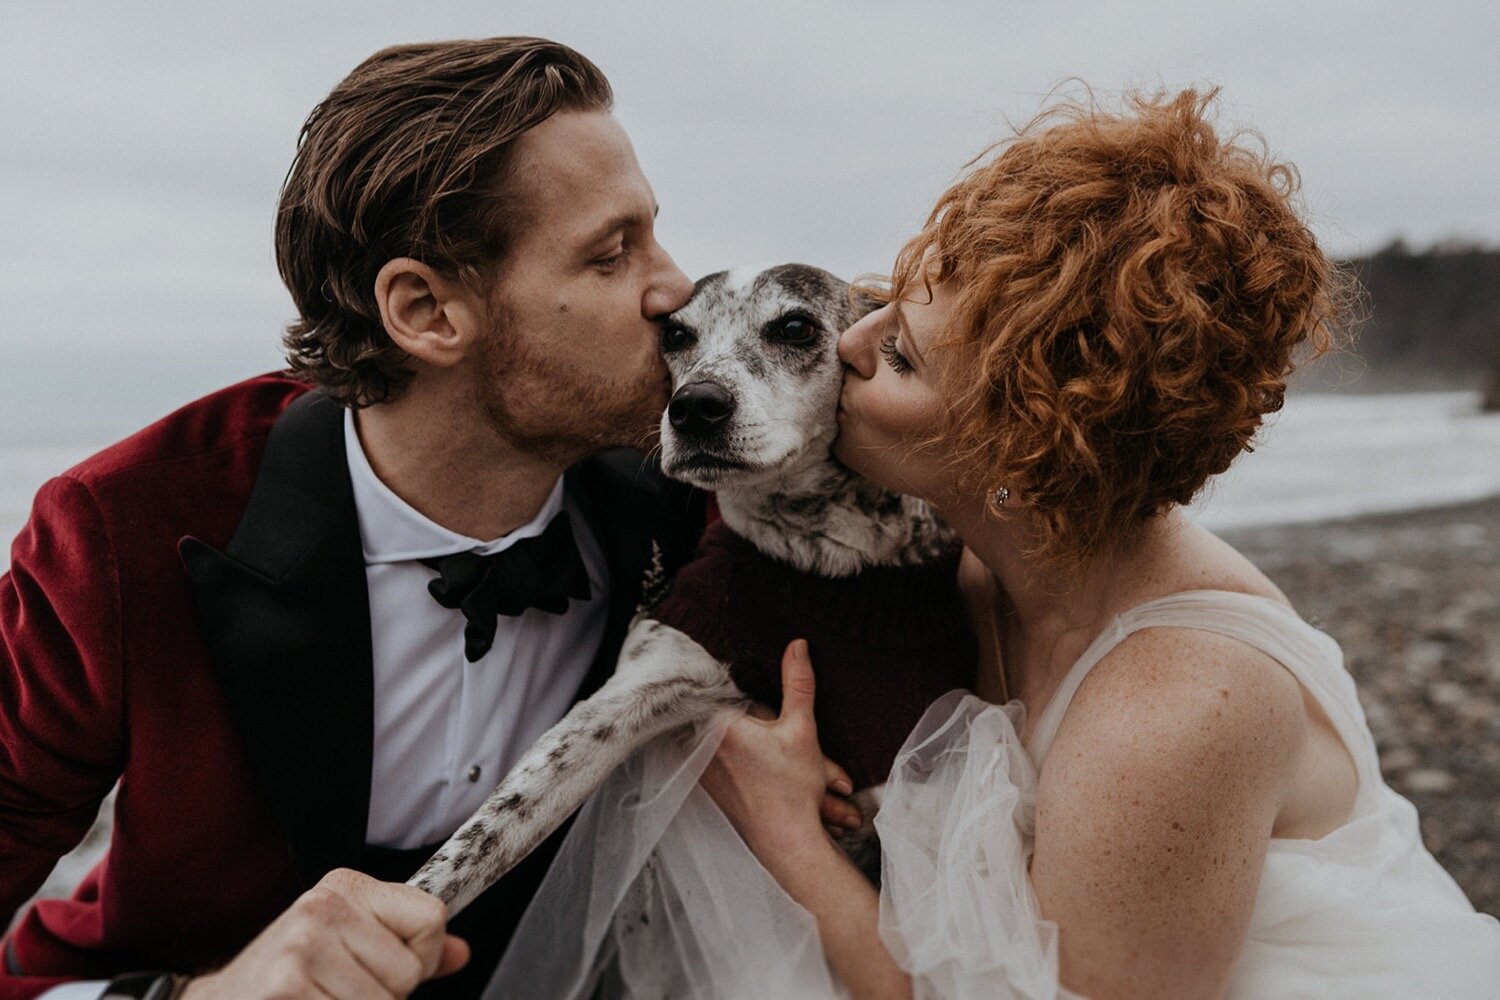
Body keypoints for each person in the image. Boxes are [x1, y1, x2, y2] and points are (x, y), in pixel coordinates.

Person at [492, 89, 1500, 998]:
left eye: (900, 354)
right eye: (885, 302)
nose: (848, 345)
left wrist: (775, 822)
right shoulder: (976, 566)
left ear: (1024, 435)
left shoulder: (1179, 704)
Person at [0, 37, 705, 1000]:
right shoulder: (123, 531)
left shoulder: (696, 502)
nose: (676, 289)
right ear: (424, 310)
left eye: (655, 237)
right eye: (613, 252)